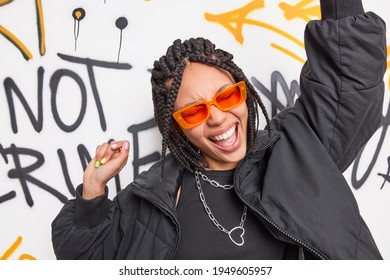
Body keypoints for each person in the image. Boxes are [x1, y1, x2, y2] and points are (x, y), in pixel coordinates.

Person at [51, 0, 386, 259]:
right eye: (194, 111)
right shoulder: (152, 197)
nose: (216, 117)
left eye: (226, 96)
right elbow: (86, 258)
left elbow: (349, 77)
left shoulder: (297, 149)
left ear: (244, 91)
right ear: (177, 128)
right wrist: (93, 187)